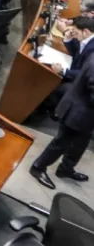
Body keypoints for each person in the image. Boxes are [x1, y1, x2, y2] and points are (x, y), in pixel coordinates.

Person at [30, 42, 94, 189]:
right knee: (62, 142)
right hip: (77, 111)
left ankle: (66, 169)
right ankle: (38, 167)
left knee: (81, 143)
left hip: (87, 115)